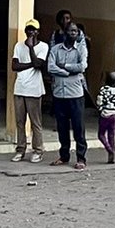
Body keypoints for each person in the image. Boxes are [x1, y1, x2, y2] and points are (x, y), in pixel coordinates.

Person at [47, 21, 88, 168]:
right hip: (59, 95)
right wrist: (68, 72)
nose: (73, 33)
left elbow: (82, 66)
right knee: (62, 128)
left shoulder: (80, 49)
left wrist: (64, 66)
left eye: (76, 31)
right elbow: (50, 67)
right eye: (70, 31)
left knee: (78, 129)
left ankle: (81, 158)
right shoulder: (56, 49)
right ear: (64, 33)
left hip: (75, 95)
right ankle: (64, 156)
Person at [10, 17, 49, 164]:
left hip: (34, 89)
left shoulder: (43, 47)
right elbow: (14, 66)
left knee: (35, 122)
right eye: (28, 29)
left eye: (33, 30)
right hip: (20, 88)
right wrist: (30, 64)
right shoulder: (18, 46)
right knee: (20, 121)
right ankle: (21, 149)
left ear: (38, 32)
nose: (31, 32)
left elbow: (39, 64)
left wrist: (31, 47)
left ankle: (38, 150)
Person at [96, 72, 115, 165]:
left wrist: (101, 110)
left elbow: (99, 102)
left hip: (105, 115)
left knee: (101, 134)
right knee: (111, 135)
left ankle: (109, 149)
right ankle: (112, 154)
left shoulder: (103, 90)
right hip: (114, 115)